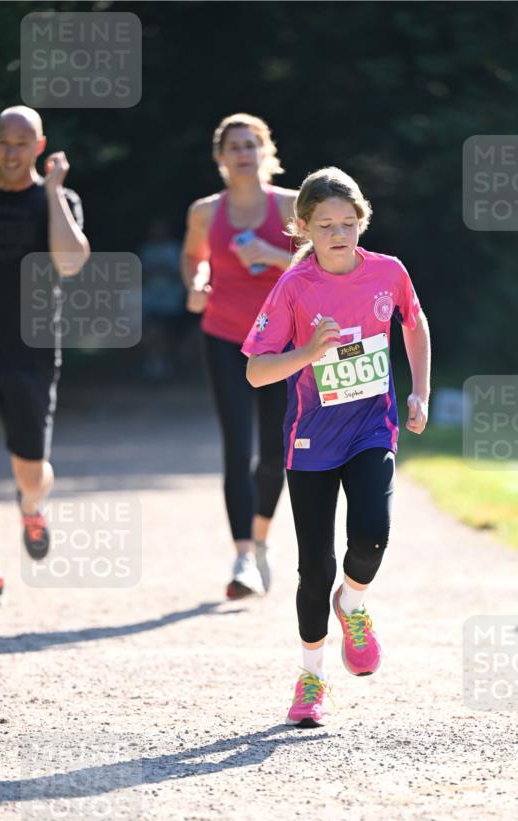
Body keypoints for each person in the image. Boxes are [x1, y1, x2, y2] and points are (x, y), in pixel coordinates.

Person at [243, 167, 431, 727]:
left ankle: (353, 604)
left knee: (373, 532)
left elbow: (414, 326)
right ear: (303, 228)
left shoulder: (389, 273)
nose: (339, 233)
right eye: (325, 225)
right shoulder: (295, 287)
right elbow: (256, 371)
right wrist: (308, 351)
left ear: (362, 222)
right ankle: (311, 679)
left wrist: (419, 391)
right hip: (311, 441)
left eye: (348, 223)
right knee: (313, 568)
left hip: (372, 427)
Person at [182, 113, 296, 599]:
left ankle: (262, 540)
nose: (244, 153)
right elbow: (193, 256)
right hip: (225, 336)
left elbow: (326, 264)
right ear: (221, 158)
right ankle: (243, 556)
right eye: (234, 146)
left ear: (265, 151)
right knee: (235, 446)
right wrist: (197, 282)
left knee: (275, 455)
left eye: (252, 144)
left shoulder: (292, 205)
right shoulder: (206, 212)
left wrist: (272, 254)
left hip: (282, 344)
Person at [0, 106, 89, 606]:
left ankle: (31, 505)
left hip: (29, 349)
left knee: (30, 469)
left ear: (40, 145)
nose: (12, 152)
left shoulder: (57, 199)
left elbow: (71, 262)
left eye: (22, 143)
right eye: (4, 142)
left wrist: (51, 193)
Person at [138, 219, 186, 382]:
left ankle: (168, 365)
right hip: (152, 300)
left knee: (169, 335)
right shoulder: (147, 250)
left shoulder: (174, 249)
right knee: (153, 331)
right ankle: (155, 364)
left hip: (171, 301)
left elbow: (182, 274)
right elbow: (141, 276)